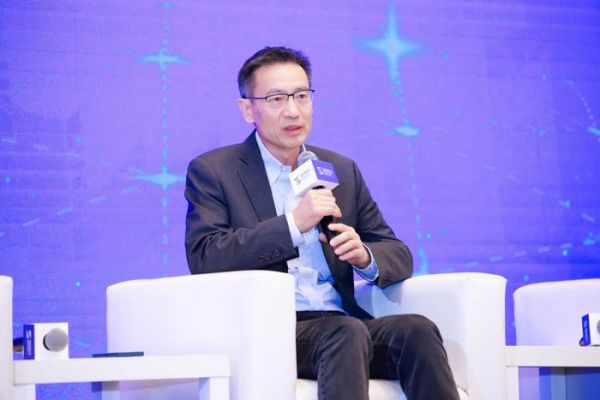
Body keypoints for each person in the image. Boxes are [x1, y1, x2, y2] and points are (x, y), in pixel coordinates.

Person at [184, 46, 459, 400]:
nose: (293, 110)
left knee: (416, 330)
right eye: (276, 99)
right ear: (247, 109)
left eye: (301, 96)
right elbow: (206, 257)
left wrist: (364, 256)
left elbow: (397, 252)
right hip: (270, 329)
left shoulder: (340, 170)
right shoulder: (215, 171)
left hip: (342, 324)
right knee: (345, 332)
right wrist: (293, 225)